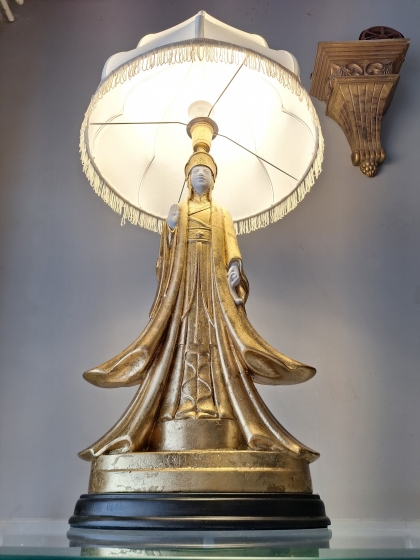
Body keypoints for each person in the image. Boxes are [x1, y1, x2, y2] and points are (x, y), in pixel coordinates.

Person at [79, 151, 319, 463]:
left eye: (206, 171)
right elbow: (164, 260)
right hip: (184, 286)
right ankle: (176, 409)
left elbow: (230, 246)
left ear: (214, 180)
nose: (201, 175)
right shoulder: (179, 210)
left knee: (216, 343)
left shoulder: (221, 213)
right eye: (196, 172)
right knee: (179, 341)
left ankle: (219, 408)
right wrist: (170, 229)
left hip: (212, 286)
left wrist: (235, 269)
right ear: (188, 179)